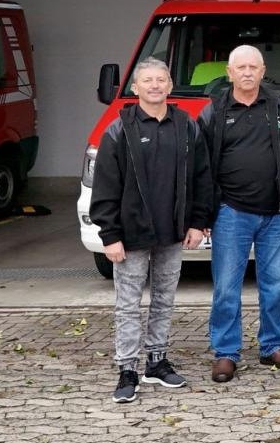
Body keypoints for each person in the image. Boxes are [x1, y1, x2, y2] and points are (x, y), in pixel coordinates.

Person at [90, 58, 213, 403]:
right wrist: (110, 235)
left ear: (171, 86)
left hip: (172, 232)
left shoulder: (186, 126)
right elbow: (105, 188)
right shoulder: (119, 130)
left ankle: (156, 363)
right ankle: (127, 369)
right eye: (148, 80)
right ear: (135, 88)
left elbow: (202, 177)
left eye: (161, 80)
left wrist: (197, 222)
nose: (155, 85)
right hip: (130, 236)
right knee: (128, 305)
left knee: (164, 300)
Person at [201, 45, 280, 383]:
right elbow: (200, 167)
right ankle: (225, 353)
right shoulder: (214, 112)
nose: (248, 72)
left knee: (275, 285)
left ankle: (272, 346)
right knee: (225, 288)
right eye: (241, 67)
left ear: (263, 71)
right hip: (230, 213)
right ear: (230, 73)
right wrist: (203, 214)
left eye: (254, 67)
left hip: (278, 214)